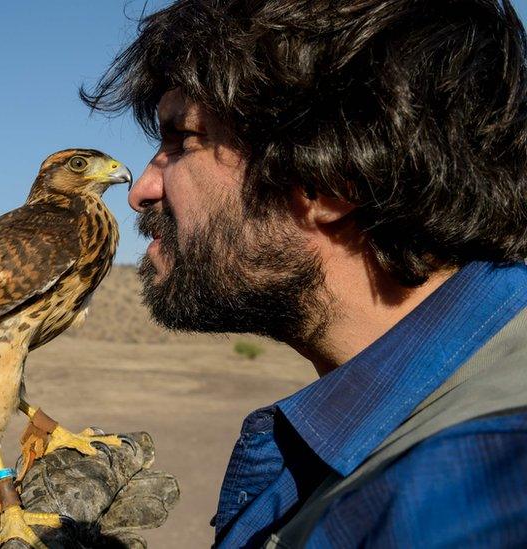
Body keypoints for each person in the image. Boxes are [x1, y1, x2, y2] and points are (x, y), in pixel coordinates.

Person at [64, 0, 527, 546]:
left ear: (331, 178)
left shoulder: (466, 495)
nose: (141, 191)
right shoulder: (385, 431)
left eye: (182, 141)